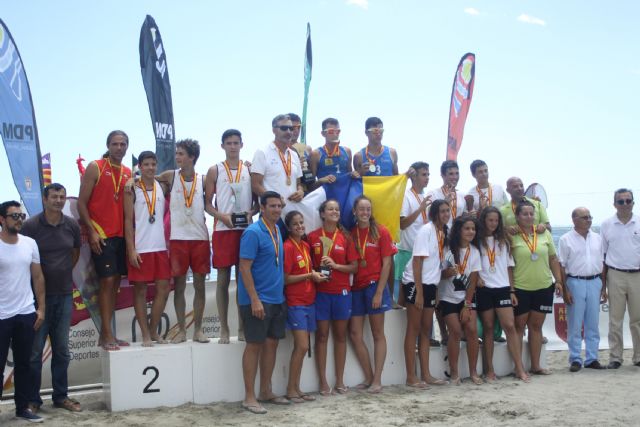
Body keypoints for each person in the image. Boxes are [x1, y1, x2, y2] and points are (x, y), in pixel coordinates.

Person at [21, 184, 81, 413]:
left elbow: (75, 253)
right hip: (37, 299)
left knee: (62, 350)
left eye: (62, 197)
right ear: (44, 199)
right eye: (54, 197)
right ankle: (33, 400)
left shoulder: (72, 225)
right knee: (35, 352)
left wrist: (61, 272)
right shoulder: (30, 226)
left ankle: (60, 396)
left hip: (65, 294)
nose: (58, 200)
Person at [77, 130, 131, 351]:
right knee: (107, 283)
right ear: (108, 145)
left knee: (115, 283)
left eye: (123, 144)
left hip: (121, 237)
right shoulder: (96, 167)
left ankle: (109, 335)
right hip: (102, 234)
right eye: (115, 144)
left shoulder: (129, 172)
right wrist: (91, 232)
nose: (119, 147)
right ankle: (106, 334)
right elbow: (81, 203)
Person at [156, 139, 211, 344]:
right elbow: (147, 178)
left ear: (192, 157)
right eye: (176, 153)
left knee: (200, 286)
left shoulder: (204, 180)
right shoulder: (171, 176)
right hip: (178, 239)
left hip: (200, 239)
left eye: (180, 154)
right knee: (179, 286)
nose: (177, 157)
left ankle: (198, 330)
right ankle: (181, 330)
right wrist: (130, 179)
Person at [238, 191, 288, 414]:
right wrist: (255, 299)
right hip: (257, 300)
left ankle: (266, 391)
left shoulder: (277, 229)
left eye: (279, 206)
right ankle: (249, 397)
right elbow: (244, 268)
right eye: (272, 206)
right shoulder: (252, 232)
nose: (277, 210)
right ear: (262, 207)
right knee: (254, 345)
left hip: (276, 298)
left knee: (271, 345)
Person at [205, 129, 255, 344]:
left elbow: (258, 203)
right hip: (223, 230)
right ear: (222, 146)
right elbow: (206, 204)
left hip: (245, 230)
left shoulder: (250, 170)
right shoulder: (214, 170)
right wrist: (221, 216)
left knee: (244, 280)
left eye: (236, 142)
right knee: (223, 280)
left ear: (242, 145)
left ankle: (242, 327)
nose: (233, 146)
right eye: (229, 143)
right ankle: (224, 328)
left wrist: (250, 214)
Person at [0, 201, 45, 422]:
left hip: (26, 313)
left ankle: (22, 408)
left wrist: (41, 308)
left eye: (21, 215)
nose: (19, 219)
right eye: (14, 216)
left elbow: (38, 277)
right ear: (2, 219)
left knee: (24, 364)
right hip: (1, 315)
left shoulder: (30, 244)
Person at [308, 199, 358, 395]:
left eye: (337, 209)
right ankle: (322, 382)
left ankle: (339, 380)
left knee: (340, 336)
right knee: (321, 336)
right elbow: (307, 265)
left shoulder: (345, 238)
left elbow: (354, 267)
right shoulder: (312, 237)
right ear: (322, 214)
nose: (335, 212)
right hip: (320, 293)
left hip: (342, 292)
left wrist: (336, 267)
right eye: (330, 209)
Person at [475, 207, 529, 382]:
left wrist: (512, 290)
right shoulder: (476, 240)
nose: (493, 223)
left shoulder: (504, 240)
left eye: (496, 220)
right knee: (488, 328)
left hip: (503, 288)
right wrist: (476, 280)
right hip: (484, 289)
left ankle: (519, 368)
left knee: (509, 326)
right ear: (483, 221)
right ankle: (489, 370)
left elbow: (508, 267)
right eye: (490, 220)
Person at [349, 196, 396, 393]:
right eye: (361, 209)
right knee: (355, 334)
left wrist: (379, 293)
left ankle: (377, 380)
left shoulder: (381, 231)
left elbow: (387, 264)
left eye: (368, 209)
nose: (365, 213)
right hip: (356, 289)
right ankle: (368, 377)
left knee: (377, 334)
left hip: (375, 286)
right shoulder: (351, 233)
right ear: (354, 211)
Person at [124, 151, 171, 347]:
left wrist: (132, 177)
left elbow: (172, 175)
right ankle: (144, 334)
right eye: (146, 165)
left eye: (153, 164)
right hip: (140, 247)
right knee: (140, 291)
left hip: (160, 247)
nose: (150, 168)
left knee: (164, 288)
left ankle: (153, 331)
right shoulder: (132, 189)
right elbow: (127, 221)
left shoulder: (162, 186)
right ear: (140, 167)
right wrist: (131, 249)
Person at [402, 199, 450, 388]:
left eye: (448, 211)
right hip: (415, 283)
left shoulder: (443, 232)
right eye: (443, 211)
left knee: (425, 330)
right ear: (435, 213)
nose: (446, 214)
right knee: (413, 330)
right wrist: (420, 292)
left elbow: (436, 265)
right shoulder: (426, 230)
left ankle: (426, 374)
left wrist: (435, 289)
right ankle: (411, 377)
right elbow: (417, 262)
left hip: (430, 284)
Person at [511, 200, 562, 375]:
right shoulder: (512, 235)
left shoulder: (544, 233)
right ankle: (518, 368)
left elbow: (553, 259)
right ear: (517, 216)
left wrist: (559, 281)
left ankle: (535, 365)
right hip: (520, 287)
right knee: (519, 327)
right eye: (524, 214)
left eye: (531, 214)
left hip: (544, 286)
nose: (529, 217)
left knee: (536, 327)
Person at [283, 211, 326, 403]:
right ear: (289, 227)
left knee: (303, 347)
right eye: (295, 224)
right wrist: (310, 276)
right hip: (296, 302)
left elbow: (307, 272)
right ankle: (290, 389)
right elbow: (285, 279)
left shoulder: (306, 245)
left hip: (309, 301)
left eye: (302, 222)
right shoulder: (287, 247)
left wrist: (317, 274)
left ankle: (297, 388)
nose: (300, 226)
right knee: (301, 346)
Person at [558, 207, 607, 371]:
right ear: (574, 220)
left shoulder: (598, 238)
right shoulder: (565, 239)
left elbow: (604, 263)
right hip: (575, 282)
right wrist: (565, 290)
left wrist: (603, 286)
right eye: (584, 217)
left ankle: (592, 358)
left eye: (590, 217)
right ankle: (575, 358)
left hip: (595, 281)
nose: (589, 220)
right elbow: (561, 266)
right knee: (575, 323)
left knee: (593, 323)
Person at [439, 216, 483, 385]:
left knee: (472, 331)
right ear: (458, 230)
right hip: (447, 297)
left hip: (466, 298)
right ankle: (455, 372)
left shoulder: (475, 251)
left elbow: (473, 281)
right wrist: (446, 274)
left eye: (473, 229)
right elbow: (438, 274)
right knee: (455, 331)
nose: (471, 232)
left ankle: (473, 372)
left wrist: (467, 305)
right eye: (467, 228)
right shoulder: (447, 250)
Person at [600, 188, 640, 369]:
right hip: (615, 274)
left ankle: (638, 357)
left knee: (637, 320)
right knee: (615, 319)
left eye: (628, 200)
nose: (625, 204)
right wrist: (603, 285)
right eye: (621, 201)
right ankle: (615, 357)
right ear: (614, 204)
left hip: (637, 275)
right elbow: (602, 255)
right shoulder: (607, 224)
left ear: (633, 202)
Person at [251, 114, 304, 237]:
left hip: (292, 216)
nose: (289, 132)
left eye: (291, 128)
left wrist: (301, 191)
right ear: (274, 130)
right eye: (284, 128)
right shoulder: (263, 152)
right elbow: (255, 184)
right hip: (272, 215)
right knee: (272, 253)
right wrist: (274, 200)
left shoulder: (294, 155)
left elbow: (298, 184)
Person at [309, 117, 355, 190]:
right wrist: (321, 181)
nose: (335, 134)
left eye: (338, 131)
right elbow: (310, 186)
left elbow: (351, 177)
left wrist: (355, 174)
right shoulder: (316, 154)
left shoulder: (347, 151)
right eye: (331, 131)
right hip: (326, 196)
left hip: (344, 194)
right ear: (323, 133)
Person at [428, 160, 467, 228]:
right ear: (443, 175)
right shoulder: (433, 194)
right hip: (440, 234)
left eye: (457, 173)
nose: (455, 177)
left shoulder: (462, 195)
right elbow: (430, 217)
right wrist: (445, 203)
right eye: (451, 174)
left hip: (457, 235)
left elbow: (463, 218)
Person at [288, 113, 314, 191]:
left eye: (299, 127)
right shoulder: (282, 149)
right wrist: (295, 166)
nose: (296, 131)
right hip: (291, 188)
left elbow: (312, 171)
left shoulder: (307, 148)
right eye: (293, 128)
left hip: (306, 187)